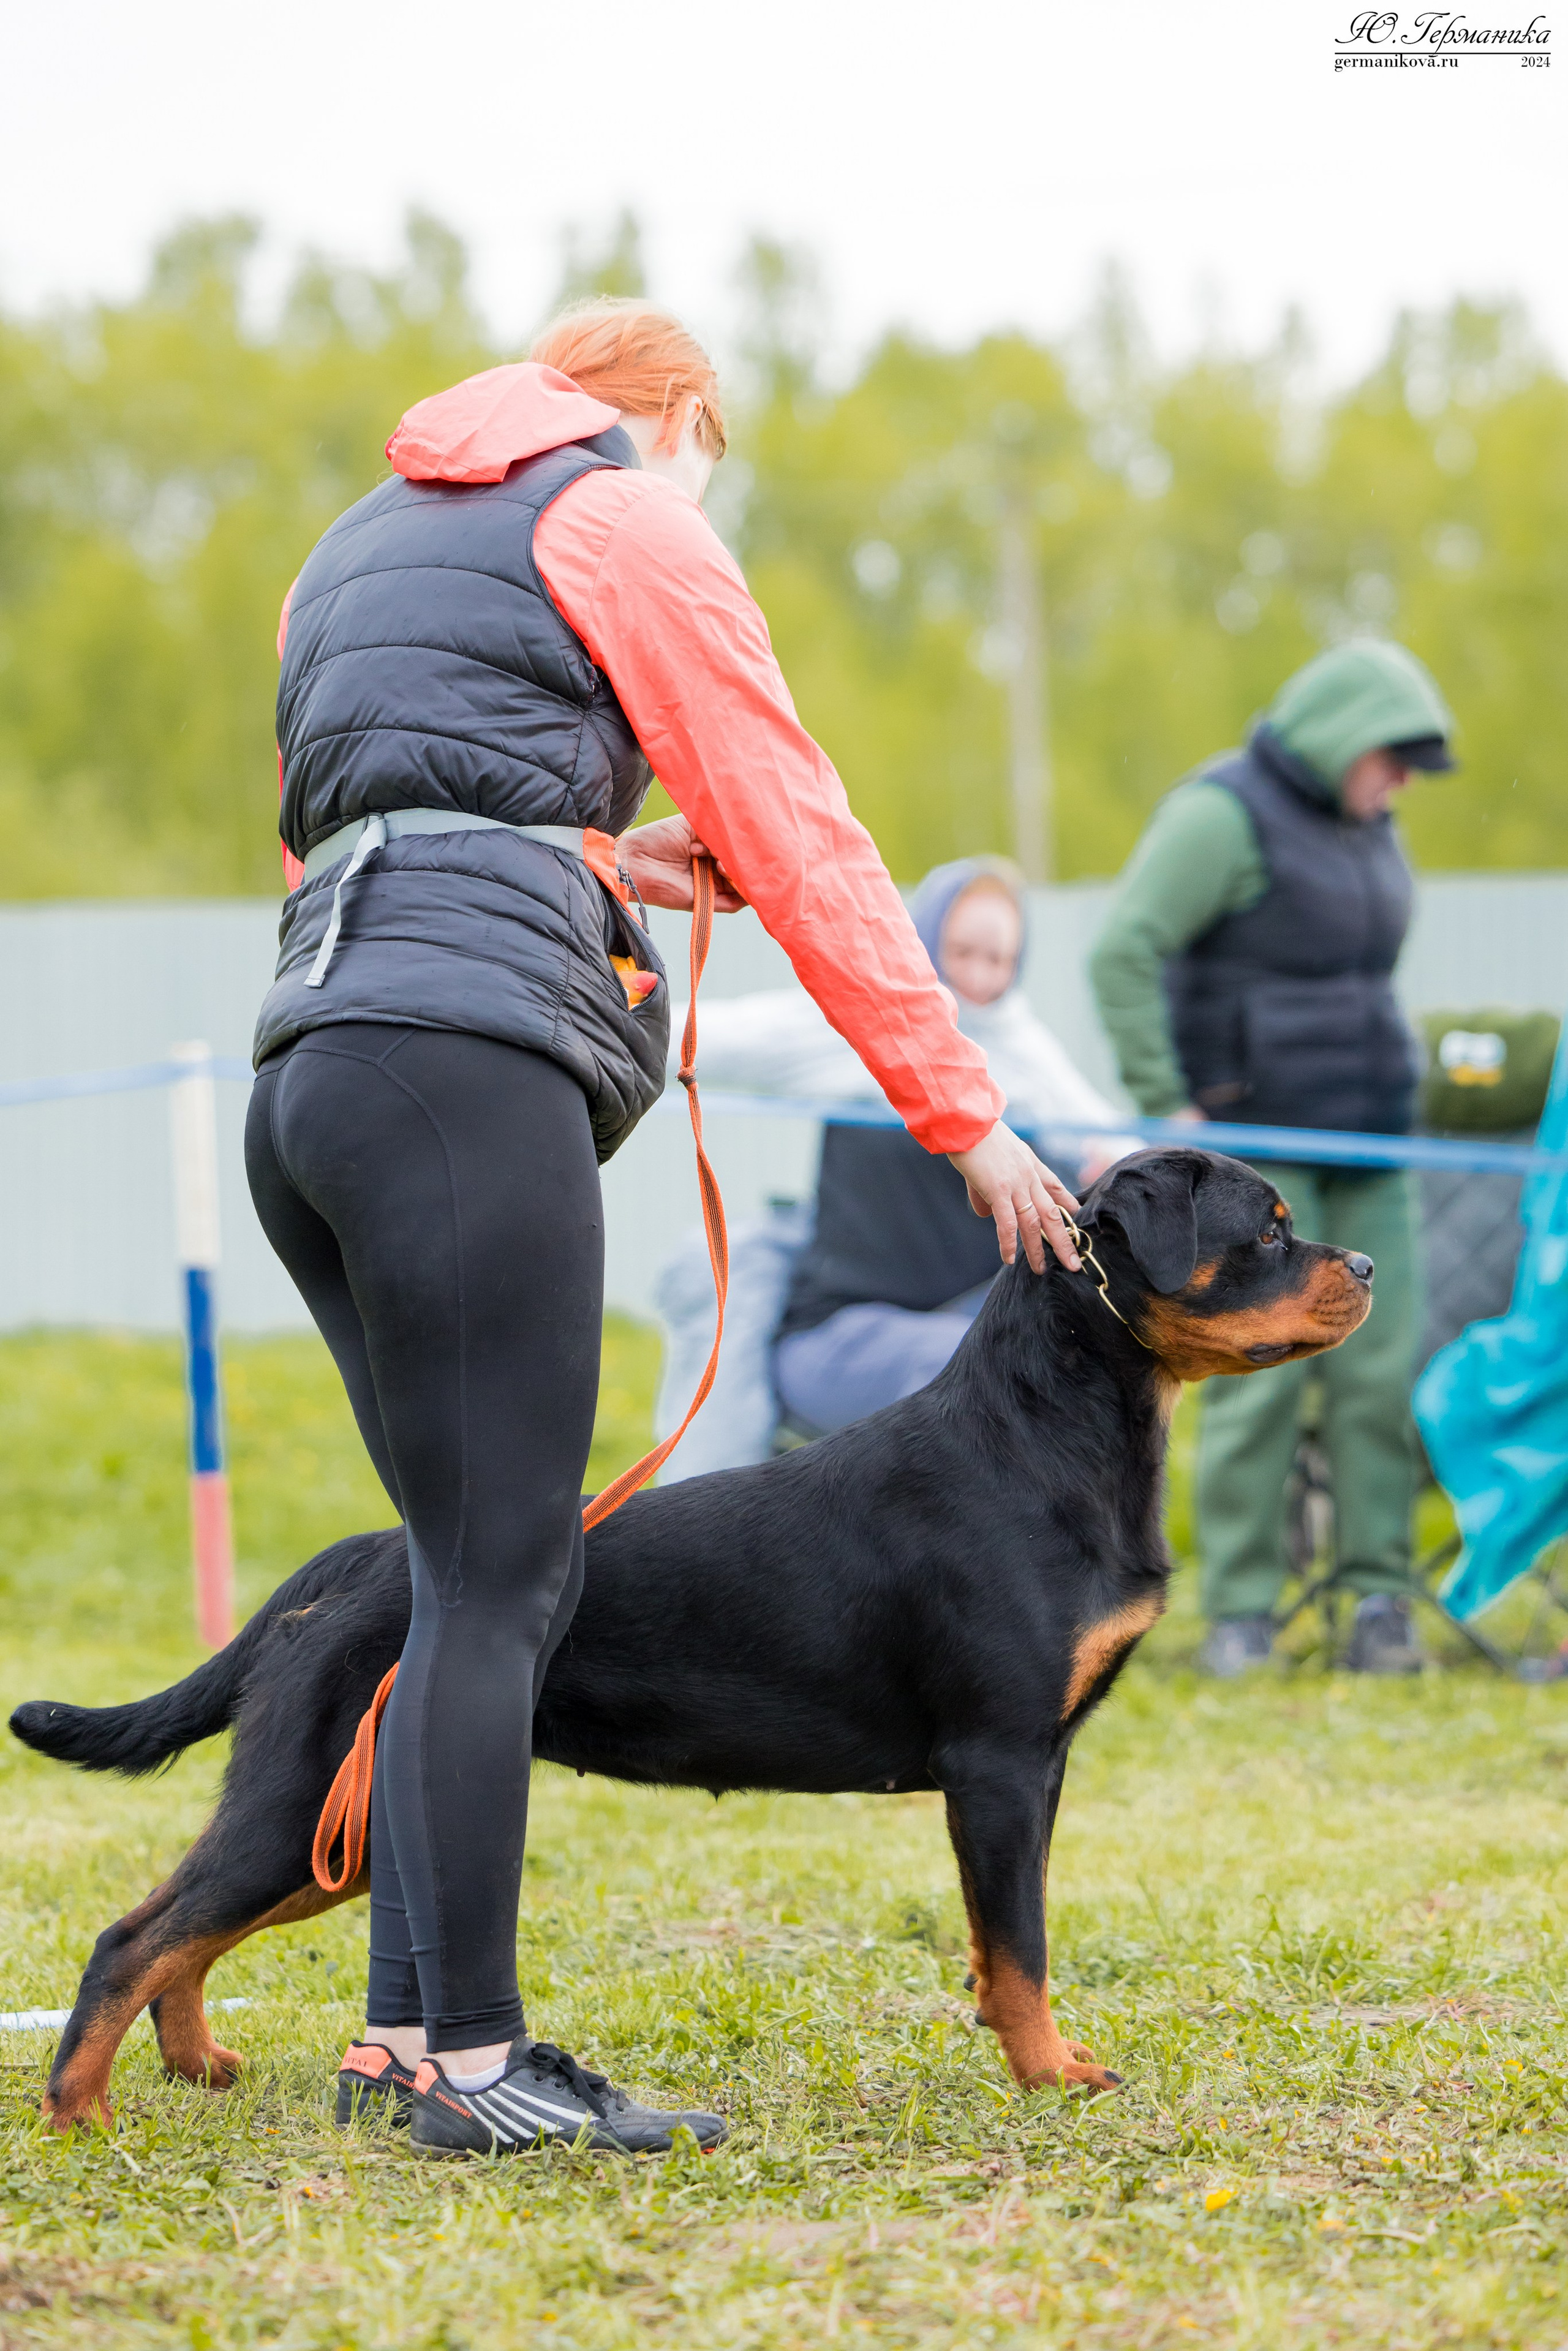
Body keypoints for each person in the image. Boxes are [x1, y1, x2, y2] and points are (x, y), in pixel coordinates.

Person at [247, 300, 1082, 2159]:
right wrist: (966, 1115)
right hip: (465, 1078)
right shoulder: (628, 514)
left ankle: (402, 2042)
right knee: (504, 1578)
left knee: (463, 1563)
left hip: (310, 1068)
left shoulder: (350, 548)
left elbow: (349, 827)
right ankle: (469, 2061)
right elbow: (802, 828)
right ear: (681, 414)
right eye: (715, 452)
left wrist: (609, 861)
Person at [1089, 638, 1455, 1678]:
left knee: (1380, 1372)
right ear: (1342, 735)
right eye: (1392, 760)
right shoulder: (1223, 814)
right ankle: (1244, 1608)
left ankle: (1380, 1598)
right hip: (1260, 1159)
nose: (1401, 784)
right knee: (1256, 1373)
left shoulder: (1369, 828)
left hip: (1373, 1139)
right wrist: (1169, 1102)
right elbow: (1124, 948)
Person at [654, 857, 1138, 1468]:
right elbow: (701, 1036)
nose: (980, 977)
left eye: (1000, 961)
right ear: (925, 938)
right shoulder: (853, 1024)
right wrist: (598, 1016)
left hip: (966, 1317)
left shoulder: (1023, 1052)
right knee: (969, 1368)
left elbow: (1113, 1145)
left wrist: (1111, 1165)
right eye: (963, 951)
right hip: (842, 1333)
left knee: (1038, 1353)